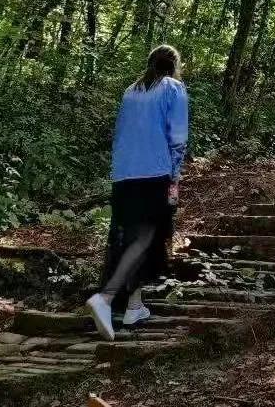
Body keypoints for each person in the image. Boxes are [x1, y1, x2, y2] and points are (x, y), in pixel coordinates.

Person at [86, 45, 189, 341]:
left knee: (132, 237)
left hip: (123, 173)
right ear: (174, 65)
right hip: (154, 171)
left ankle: (134, 305)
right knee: (147, 237)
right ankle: (105, 298)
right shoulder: (173, 88)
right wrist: (175, 175)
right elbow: (178, 137)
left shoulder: (131, 90)